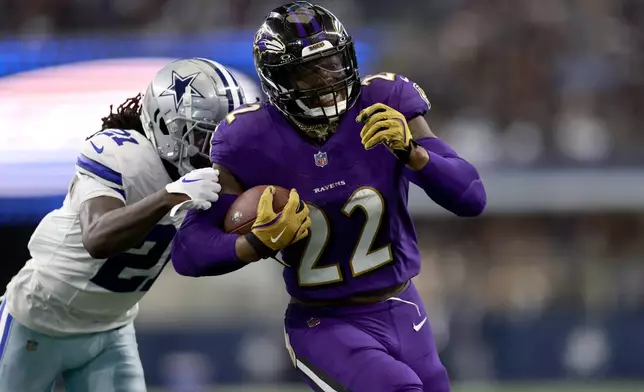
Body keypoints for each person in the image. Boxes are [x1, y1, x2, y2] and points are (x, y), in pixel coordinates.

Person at [171, 2, 486, 392]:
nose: (326, 79)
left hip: (404, 306)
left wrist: (416, 154)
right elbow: (187, 251)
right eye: (307, 72)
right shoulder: (246, 141)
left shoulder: (384, 102)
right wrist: (253, 244)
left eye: (332, 63)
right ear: (278, 81)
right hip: (325, 322)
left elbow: (471, 197)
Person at [0, 58, 246, 392]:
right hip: (36, 318)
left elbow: (200, 255)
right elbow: (98, 238)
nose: (216, 150)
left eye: (225, 135)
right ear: (166, 127)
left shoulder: (216, 178)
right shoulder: (121, 154)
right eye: (206, 136)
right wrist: (169, 196)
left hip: (111, 331)